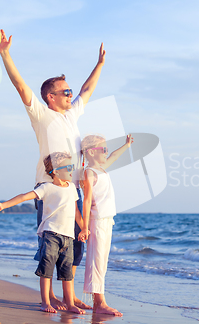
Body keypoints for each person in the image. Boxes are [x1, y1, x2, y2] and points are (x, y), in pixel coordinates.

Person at [0, 29, 105, 310]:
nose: (71, 95)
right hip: (48, 189)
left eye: (70, 91)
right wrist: (5, 53)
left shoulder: (72, 114)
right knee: (50, 245)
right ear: (50, 97)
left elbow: (87, 90)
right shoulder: (42, 116)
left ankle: (67, 296)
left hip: (73, 188)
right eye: (65, 92)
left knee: (74, 245)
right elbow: (21, 87)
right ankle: (51, 296)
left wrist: (100, 65)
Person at [0, 152, 88, 314]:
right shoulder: (46, 188)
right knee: (46, 269)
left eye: (72, 166)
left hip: (68, 237)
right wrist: (4, 206)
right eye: (68, 167)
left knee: (67, 272)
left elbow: (76, 212)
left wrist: (83, 228)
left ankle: (69, 303)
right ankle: (45, 302)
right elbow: (23, 197)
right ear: (55, 171)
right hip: (51, 235)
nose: (72, 170)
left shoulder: (72, 188)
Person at [78, 133, 134, 316]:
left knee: (102, 261)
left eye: (106, 150)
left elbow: (114, 157)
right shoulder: (89, 172)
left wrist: (126, 146)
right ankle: (99, 302)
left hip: (107, 220)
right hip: (97, 220)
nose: (106, 153)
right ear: (92, 152)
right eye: (103, 150)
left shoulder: (101, 169)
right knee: (97, 260)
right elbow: (86, 201)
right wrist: (85, 227)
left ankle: (98, 301)